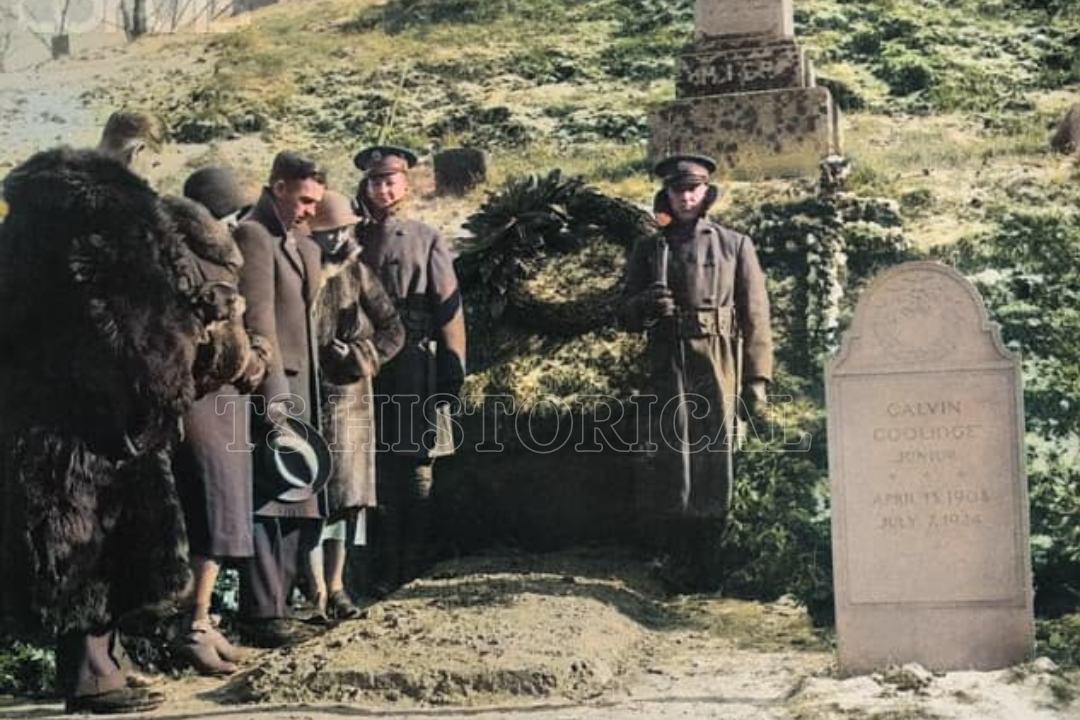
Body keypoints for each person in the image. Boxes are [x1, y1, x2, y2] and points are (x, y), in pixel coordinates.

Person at [0, 140, 260, 714]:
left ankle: (106, 665)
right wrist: (177, 382)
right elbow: (140, 336)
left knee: (66, 546)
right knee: (92, 548)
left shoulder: (20, 231)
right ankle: (93, 680)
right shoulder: (110, 232)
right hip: (100, 429)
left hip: (35, 423)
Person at [622, 153, 773, 591]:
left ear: (707, 192)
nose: (686, 197)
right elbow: (623, 313)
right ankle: (677, 560)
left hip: (720, 364)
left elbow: (756, 316)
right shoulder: (651, 247)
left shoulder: (734, 245)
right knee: (673, 461)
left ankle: (712, 559)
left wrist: (757, 380)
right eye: (678, 190)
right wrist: (646, 305)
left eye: (694, 189)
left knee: (715, 459)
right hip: (668, 364)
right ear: (666, 193)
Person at [353, 145, 466, 593]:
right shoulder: (352, 236)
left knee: (417, 464)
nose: (383, 189)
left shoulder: (426, 237)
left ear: (406, 185)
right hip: (366, 365)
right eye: (375, 182)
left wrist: (452, 369)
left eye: (391, 181)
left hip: (413, 365)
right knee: (373, 464)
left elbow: (449, 308)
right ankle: (378, 563)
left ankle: (415, 562)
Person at [176, 166, 271, 674]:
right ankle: (191, 626)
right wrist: (247, 360)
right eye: (232, 211)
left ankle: (203, 621)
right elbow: (202, 339)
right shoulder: (192, 260)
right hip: (205, 401)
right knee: (209, 512)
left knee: (222, 510)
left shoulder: (212, 255)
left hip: (224, 402)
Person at [233, 151, 328, 647]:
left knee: (300, 497)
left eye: (317, 201)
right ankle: (262, 614)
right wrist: (274, 403)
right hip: (278, 390)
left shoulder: (299, 241)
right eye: (304, 198)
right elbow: (259, 322)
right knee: (273, 499)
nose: (311, 209)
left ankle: (282, 604)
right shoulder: (254, 235)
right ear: (278, 187)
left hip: (304, 387)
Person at [305, 190, 404, 619]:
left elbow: (393, 327)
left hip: (348, 399)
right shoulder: (300, 270)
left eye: (343, 230)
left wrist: (365, 357)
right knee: (306, 496)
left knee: (346, 497)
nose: (337, 238)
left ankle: (338, 586)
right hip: (303, 396)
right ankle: (312, 594)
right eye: (328, 232)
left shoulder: (359, 273)